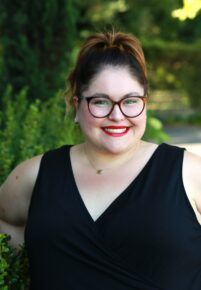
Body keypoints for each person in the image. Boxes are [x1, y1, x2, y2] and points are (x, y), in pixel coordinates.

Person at [0, 31, 201, 290]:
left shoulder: (190, 173)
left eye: (130, 101)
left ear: (145, 104)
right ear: (76, 106)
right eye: (101, 101)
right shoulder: (35, 175)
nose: (117, 116)